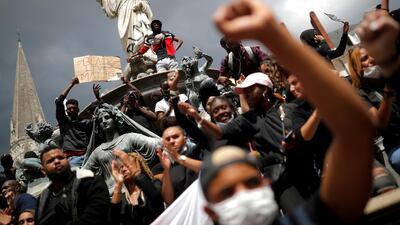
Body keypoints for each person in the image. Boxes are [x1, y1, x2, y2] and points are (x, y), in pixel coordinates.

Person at [204, 0, 375, 224]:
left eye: (252, 183)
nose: (243, 195)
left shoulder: (308, 217)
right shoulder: (227, 64)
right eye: (227, 193)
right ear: (210, 212)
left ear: (266, 185)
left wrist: (273, 36)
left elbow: (359, 133)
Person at [82, 104, 160, 194]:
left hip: (136, 187)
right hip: (113, 194)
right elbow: (83, 173)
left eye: (107, 117)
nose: (103, 121)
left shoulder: (129, 138)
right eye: (100, 120)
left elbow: (157, 143)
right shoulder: (98, 151)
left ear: (115, 119)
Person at [37, 142, 110, 225]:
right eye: (51, 161)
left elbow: (96, 216)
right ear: (43, 170)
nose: (57, 161)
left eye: (60, 158)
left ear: (67, 160)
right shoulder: (43, 199)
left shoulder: (90, 183)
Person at [109, 152, 164, 225]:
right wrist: (119, 183)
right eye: (121, 167)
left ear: (138, 166)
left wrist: (137, 173)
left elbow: (156, 199)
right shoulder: (121, 199)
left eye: (128, 165)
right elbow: (113, 219)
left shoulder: (154, 184)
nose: (124, 169)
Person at [156, 125, 205, 206]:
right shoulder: (167, 167)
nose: (171, 141)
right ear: (164, 144)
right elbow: (169, 201)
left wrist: (179, 158)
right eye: (167, 139)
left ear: (185, 139)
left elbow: (209, 169)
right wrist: (166, 170)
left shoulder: (198, 152)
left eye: (175, 137)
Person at [55, 77, 93, 167]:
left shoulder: (86, 123)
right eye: (69, 108)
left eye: (74, 108)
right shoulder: (64, 122)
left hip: (89, 155)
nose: (72, 110)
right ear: (66, 111)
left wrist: (98, 98)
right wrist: (71, 84)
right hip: (72, 158)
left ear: (78, 109)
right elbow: (59, 101)